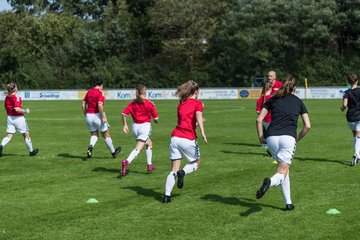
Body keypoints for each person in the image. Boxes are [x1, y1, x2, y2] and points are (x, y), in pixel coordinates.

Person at [255, 75, 311, 211]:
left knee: (283, 168)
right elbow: (307, 126)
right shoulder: (298, 101)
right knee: (281, 171)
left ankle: (288, 203)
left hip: (271, 138)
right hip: (288, 138)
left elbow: (259, 120)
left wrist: (262, 137)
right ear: (295, 88)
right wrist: (297, 138)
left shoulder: (272, 99)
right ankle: (270, 182)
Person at [162, 80, 208, 203]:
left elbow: (187, 122)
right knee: (196, 163)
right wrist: (202, 131)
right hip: (188, 138)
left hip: (175, 138)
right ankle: (183, 172)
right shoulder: (198, 104)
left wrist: (198, 123)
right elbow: (198, 115)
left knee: (173, 169)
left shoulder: (181, 104)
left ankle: (166, 196)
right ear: (196, 92)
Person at [121, 84, 159, 176]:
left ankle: (149, 165)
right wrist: (155, 120)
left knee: (149, 143)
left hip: (135, 128)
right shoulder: (150, 104)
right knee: (138, 148)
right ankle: (126, 161)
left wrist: (125, 125)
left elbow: (123, 114)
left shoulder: (132, 103)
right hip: (144, 127)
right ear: (145, 92)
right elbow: (156, 119)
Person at [81, 77, 121, 159]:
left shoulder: (89, 92)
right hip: (97, 116)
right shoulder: (100, 93)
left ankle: (91, 146)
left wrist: (86, 114)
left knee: (94, 134)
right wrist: (103, 117)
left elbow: (83, 104)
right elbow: (100, 105)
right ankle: (113, 153)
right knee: (106, 134)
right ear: (101, 84)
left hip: (89, 115)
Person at [0, 82, 39, 157]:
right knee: (26, 135)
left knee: (9, 136)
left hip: (10, 118)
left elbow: (6, 107)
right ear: (15, 88)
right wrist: (25, 110)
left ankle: (1, 145)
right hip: (19, 118)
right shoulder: (16, 97)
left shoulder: (7, 97)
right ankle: (31, 152)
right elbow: (17, 109)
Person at [340, 73, 360, 166]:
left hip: (350, 117)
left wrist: (342, 109)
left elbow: (344, 105)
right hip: (359, 116)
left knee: (355, 135)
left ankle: (358, 156)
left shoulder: (347, 92)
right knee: (358, 135)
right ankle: (356, 154)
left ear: (349, 82)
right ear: (357, 81)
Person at [256, 80, 272, 148]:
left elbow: (258, 111)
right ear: (271, 88)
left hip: (263, 120)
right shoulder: (273, 98)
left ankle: (264, 144)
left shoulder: (260, 99)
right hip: (272, 119)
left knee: (265, 132)